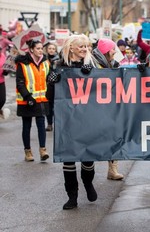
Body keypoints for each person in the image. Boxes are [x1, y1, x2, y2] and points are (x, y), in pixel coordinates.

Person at [48, 34, 98, 209]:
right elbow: (51, 97)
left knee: (87, 158)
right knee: (68, 160)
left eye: (86, 46)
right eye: (81, 46)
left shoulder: (93, 65)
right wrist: (52, 82)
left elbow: (106, 87)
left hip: (88, 119)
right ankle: (72, 196)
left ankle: (88, 182)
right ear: (71, 49)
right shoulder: (59, 67)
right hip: (67, 120)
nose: (85, 49)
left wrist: (89, 72)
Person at [91, 38, 125, 181]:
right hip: (95, 108)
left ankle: (113, 169)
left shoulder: (114, 63)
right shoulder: (92, 63)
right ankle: (88, 167)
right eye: (113, 49)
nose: (115, 51)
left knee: (115, 136)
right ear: (106, 51)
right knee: (93, 138)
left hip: (112, 105)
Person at [15, 39, 50, 162]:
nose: (41, 51)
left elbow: (48, 78)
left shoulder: (45, 62)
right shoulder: (22, 63)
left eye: (41, 48)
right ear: (31, 49)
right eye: (38, 48)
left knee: (41, 124)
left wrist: (54, 77)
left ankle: (43, 150)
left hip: (41, 99)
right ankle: (28, 151)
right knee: (27, 126)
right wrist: (27, 97)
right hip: (27, 100)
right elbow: (20, 83)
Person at [44, 42, 59, 131]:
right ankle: (49, 124)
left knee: (56, 105)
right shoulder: (43, 59)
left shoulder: (59, 59)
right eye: (50, 48)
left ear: (56, 50)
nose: (51, 50)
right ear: (47, 50)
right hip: (47, 85)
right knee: (48, 106)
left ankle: (57, 123)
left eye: (53, 49)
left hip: (56, 85)